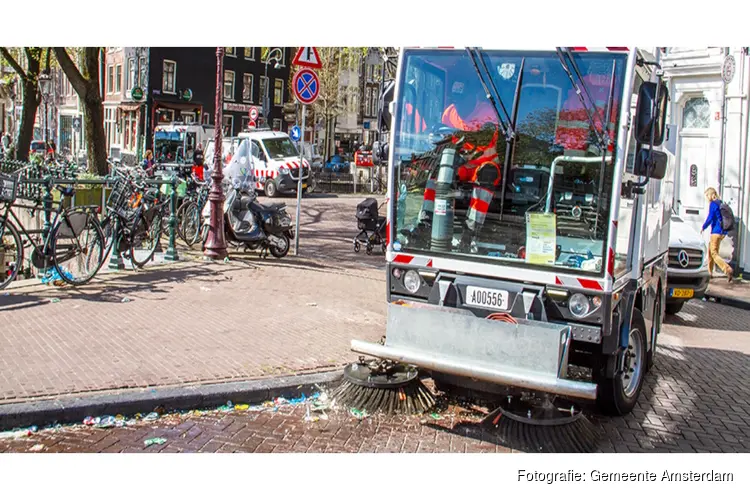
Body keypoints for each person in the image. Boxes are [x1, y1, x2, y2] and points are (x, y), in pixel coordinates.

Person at [418, 73, 502, 248]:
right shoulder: (451, 111)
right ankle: (425, 221)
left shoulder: (487, 113)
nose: (458, 104)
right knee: (438, 169)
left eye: (462, 99)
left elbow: (484, 141)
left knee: (488, 173)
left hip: (483, 163)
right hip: (461, 164)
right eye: (455, 99)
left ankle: (470, 232)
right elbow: (445, 138)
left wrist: (458, 137)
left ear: (473, 97)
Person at [702, 187, 733, 282]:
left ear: (711, 195)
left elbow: (710, 217)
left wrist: (703, 227)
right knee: (711, 251)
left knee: (714, 253)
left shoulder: (713, 204)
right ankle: (709, 272)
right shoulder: (720, 202)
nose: (706, 198)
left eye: (707, 196)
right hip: (722, 232)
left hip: (715, 232)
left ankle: (727, 269)